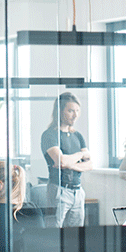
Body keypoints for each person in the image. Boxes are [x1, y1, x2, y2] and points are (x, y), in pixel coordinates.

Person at [41, 92, 92, 227]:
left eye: (77, 111)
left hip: (78, 192)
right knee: (54, 234)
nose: (75, 115)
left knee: (75, 238)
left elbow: (90, 164)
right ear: (60, 111)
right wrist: (79, 156)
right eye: (70, 111)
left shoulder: (78, 136)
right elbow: (61, 161)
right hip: (59, 190)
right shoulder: (49, 135)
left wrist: (70, 163)